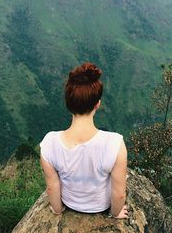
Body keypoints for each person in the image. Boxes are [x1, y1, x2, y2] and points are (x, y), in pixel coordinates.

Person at [40, 62, 128, 219]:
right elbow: (119, 193)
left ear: (68, 104)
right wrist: (116, 213)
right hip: (101, 206)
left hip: (70, 203)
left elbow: (52, 187)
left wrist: (57, 210)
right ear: (97, 104)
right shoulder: (115, 143)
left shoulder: (49, 143)